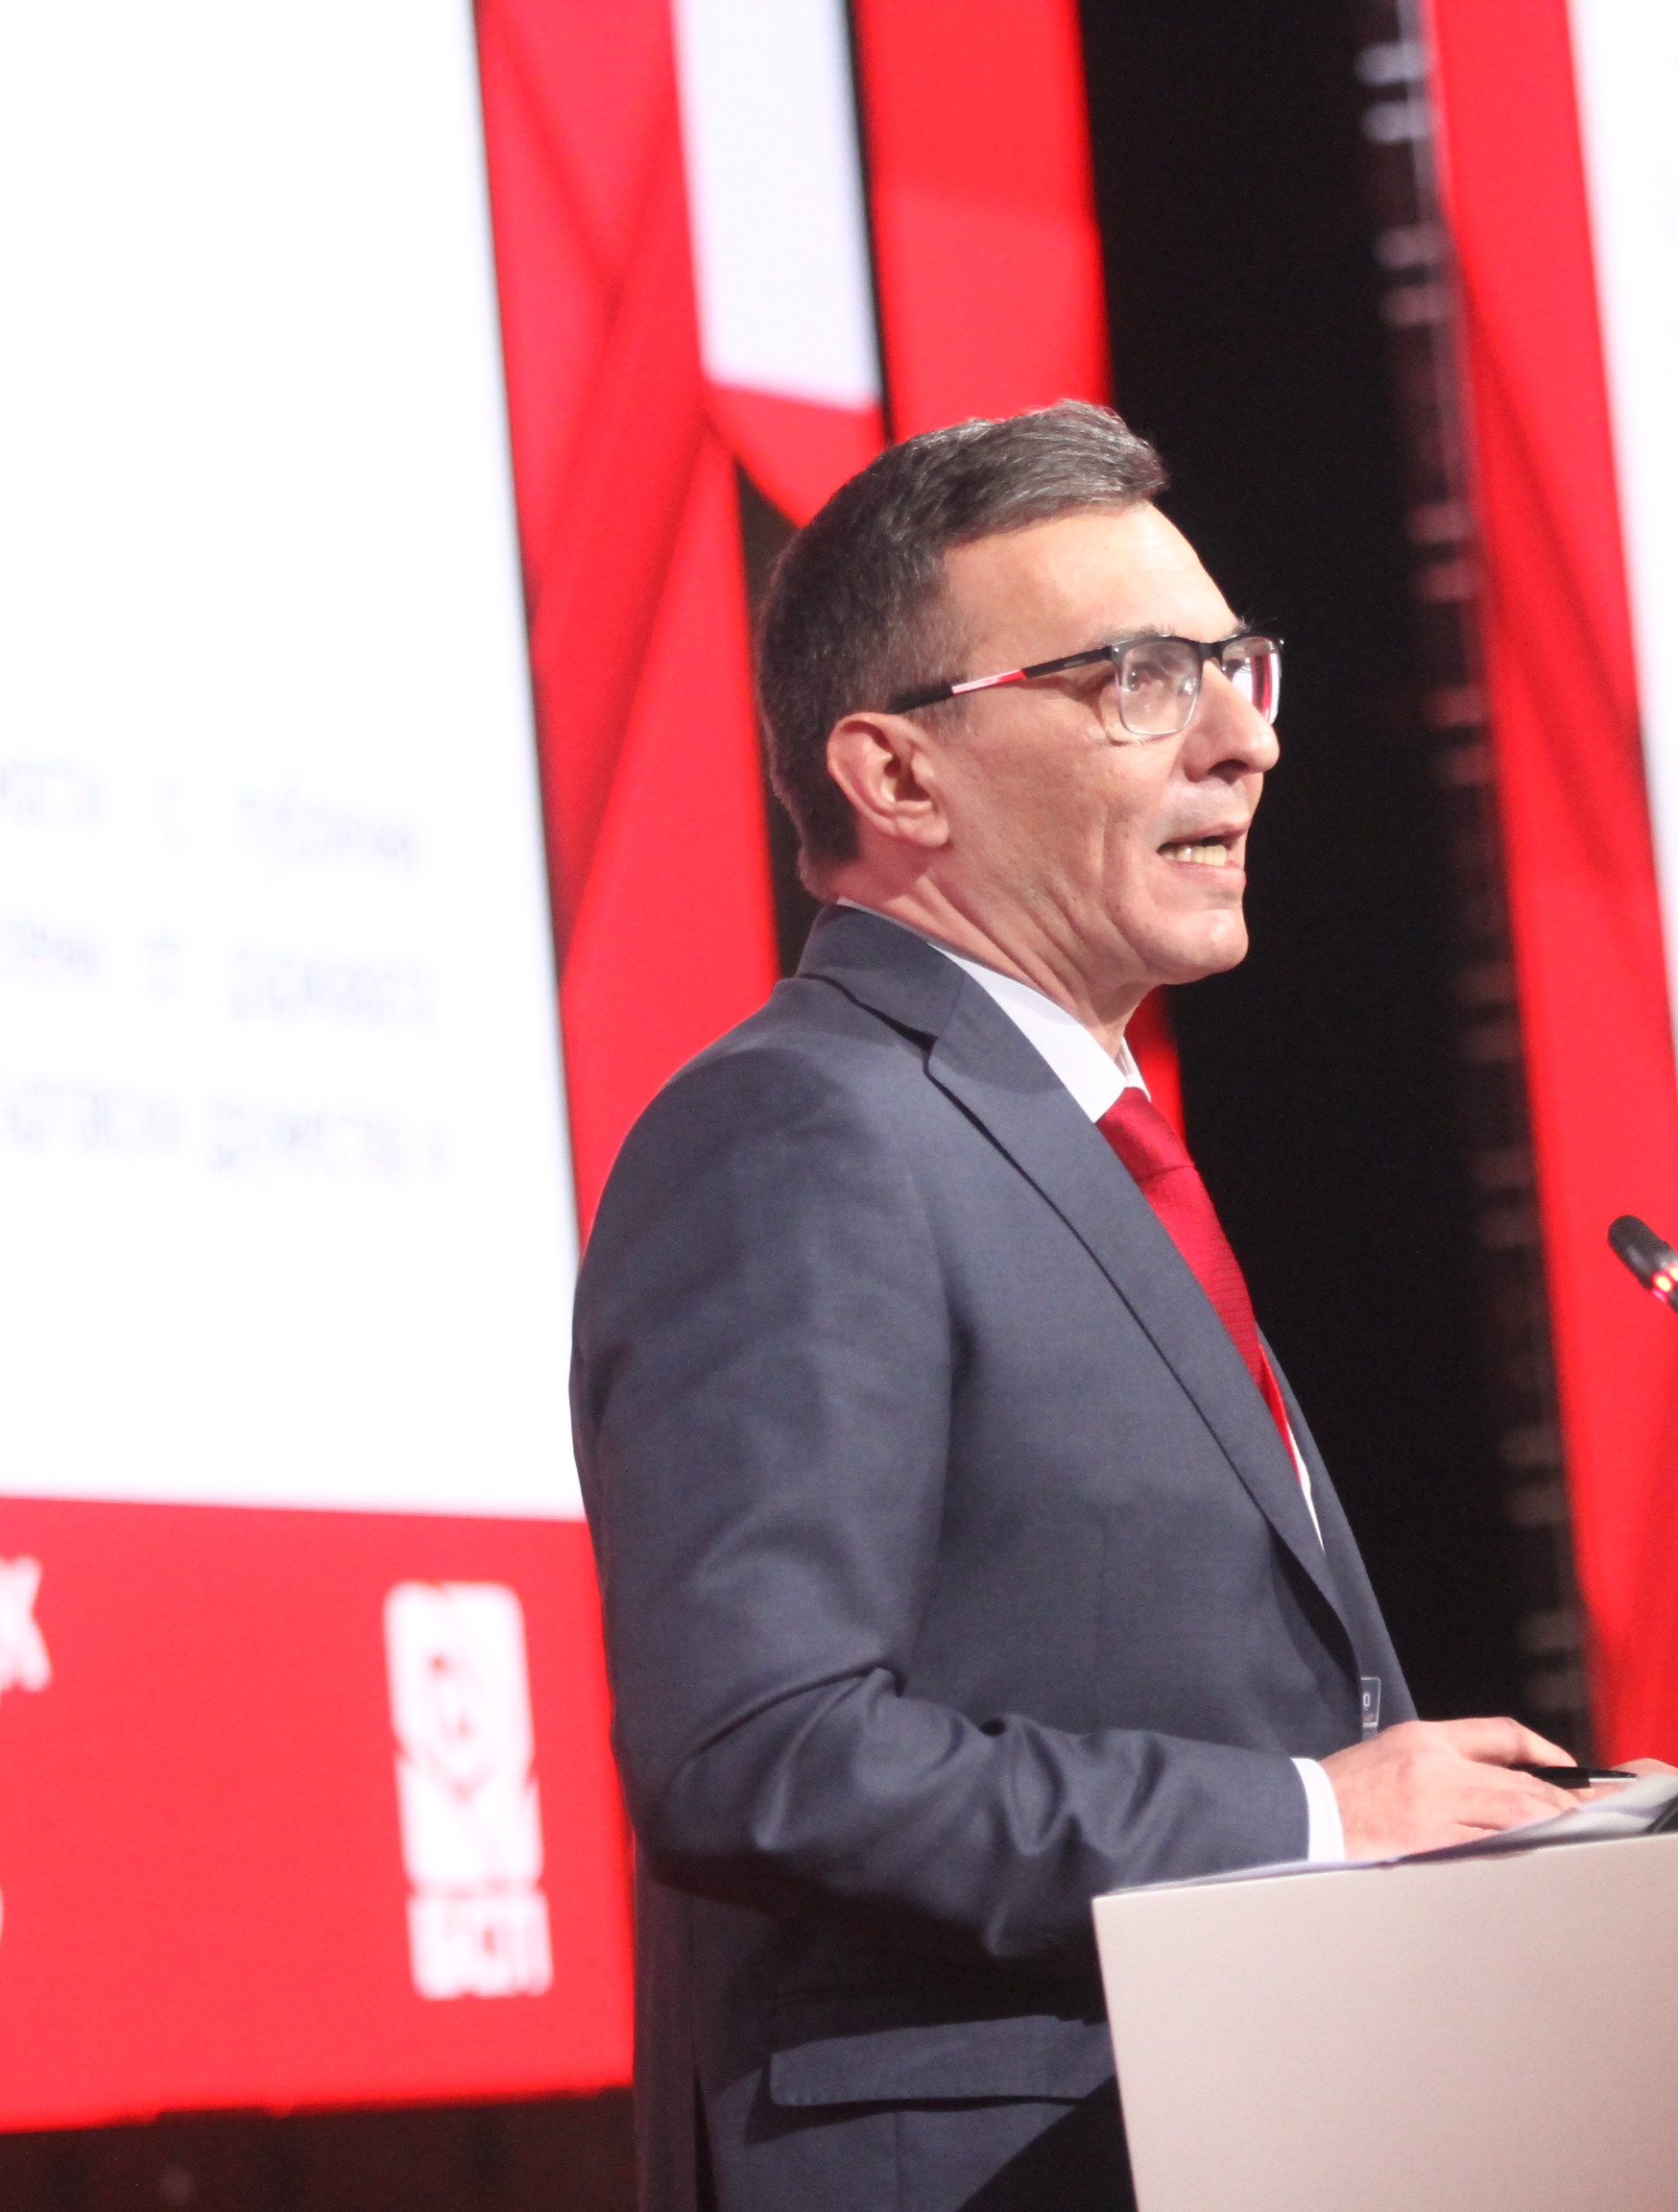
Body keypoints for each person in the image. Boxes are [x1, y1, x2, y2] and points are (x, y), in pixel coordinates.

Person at [570, 403, 1585, 2212]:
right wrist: (1317, 1815)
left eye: (1236, 665)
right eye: (1138, 678)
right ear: (899, 777)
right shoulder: (800, 1129)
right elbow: (760, 1752)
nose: (1246, 737)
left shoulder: (1085, 1143)